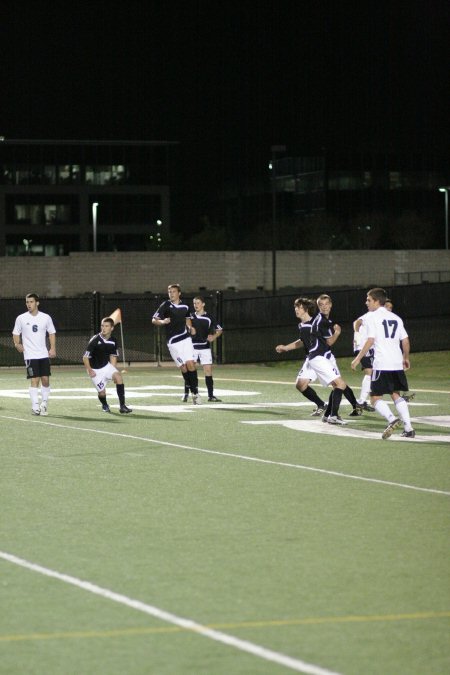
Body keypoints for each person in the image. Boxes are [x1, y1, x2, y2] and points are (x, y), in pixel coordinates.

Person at [351, 287, 415, 439]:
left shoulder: (373, 317)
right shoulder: (396, 318)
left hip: (382, 363)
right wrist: (406, 358)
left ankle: (392, 420)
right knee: (396, 395)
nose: (366, 303)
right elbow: (405, 340)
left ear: (376, 301)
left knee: (374, 398)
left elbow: (370, 339)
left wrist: (358, 358)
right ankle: (409, 428)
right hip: (396, 363)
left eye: (368, 300)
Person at [275, 297, 327, 416]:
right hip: (312, 358)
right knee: (300, 385)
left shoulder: (314, 324)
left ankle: (354, 404)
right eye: (295, 307)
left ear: (306, 309)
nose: (296, 309)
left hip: (320, 358)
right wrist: (286, 347)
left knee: (336, 383)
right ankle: (322, 405)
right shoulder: (303, 325)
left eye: (299, 307)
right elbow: (302, 341)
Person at [315, 294, 362, 420]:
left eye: (326, 304)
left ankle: (328, 415)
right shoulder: (322, 322)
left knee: (338, 385)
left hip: (324, 356)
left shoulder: (325, 320)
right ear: (318, 306)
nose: (324, 307)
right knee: (339, 384)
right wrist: (337, 333)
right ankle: (333, 415)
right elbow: (329, 342)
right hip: (321, 357)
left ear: (330, 305)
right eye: (321, 304)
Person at [152, 284, 201, 404]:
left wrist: (190, 327)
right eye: (169, 292)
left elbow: (187, 319)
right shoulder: (165, 305)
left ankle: (195, 393)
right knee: (183, 368)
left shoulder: (185, 306)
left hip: (185, 339)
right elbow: (154, 320)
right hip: (173, 343)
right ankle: (188, 390)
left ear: (179, 293)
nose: (171, 293)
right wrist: (163, 321)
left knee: (190, 364)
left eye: (173, 291)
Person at [12, 293, 56, 416]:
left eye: (31, 302)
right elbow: (15, 333)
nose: (29, 304)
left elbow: (51, 333)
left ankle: (44, 404)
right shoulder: (21, 318)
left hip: (43, 354)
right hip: (30, 355)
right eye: (27, 302)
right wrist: (17, 344)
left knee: (45, 379)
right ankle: (35, 406)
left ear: (37, 303)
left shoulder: (46, 317)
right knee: (34, 379)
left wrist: (52, 348)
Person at [83, 317, 132, 414]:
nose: (103, 328)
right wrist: (89, 370)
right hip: (95, 370)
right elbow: (85, 357)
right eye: (102, 326)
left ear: (112, 328)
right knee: (102, 393)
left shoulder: (113, 340)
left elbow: (113, 356)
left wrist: (113, 371)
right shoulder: (95, 339)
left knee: (118, 377)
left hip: (106, 366)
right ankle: (105, 404)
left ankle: (122, 406)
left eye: (106, 326)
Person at [182, 296, 223, 402]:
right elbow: (186, 328)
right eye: (194, 303)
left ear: (203, 304)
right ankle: (187, 393)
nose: (196, 305)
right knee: (190, 370)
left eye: (198, 303)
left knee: (208, 370)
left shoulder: (209, 317)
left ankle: (210, 396)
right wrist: (190, 329)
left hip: (205, 347)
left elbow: (219, 329)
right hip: (192, 347)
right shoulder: (190, 317)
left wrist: (214, 336)